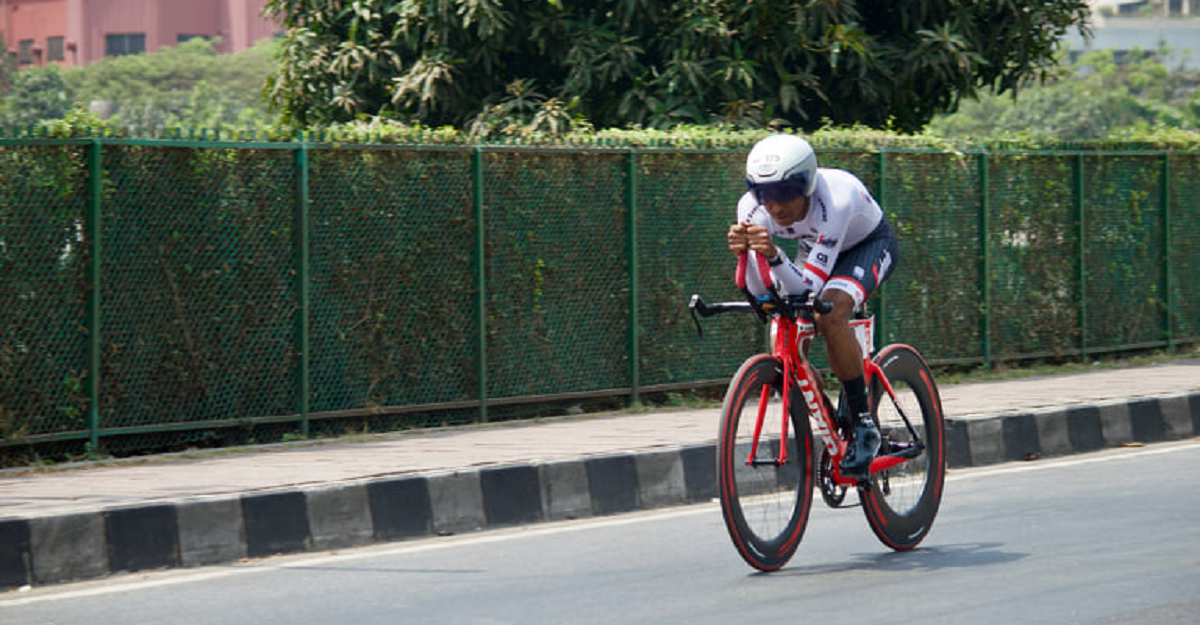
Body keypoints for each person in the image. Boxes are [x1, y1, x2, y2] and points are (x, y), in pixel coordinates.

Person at [726, 133, 899, 480]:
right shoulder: (750, 208)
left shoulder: (835, 199)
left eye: (784, 193)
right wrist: (748, 258)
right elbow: (761, 290)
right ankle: (834, 420)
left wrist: (773, 255)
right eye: (764, 195)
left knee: (829, 313)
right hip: (816, 246)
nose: (774, 207)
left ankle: (864, 423)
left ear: (805, 184)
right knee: (785, 321)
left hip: (865, 245)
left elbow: (809, 287)